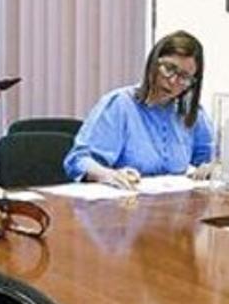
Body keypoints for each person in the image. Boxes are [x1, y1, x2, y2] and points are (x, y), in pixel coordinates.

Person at [63, 30, 215, 188]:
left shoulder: (190, 113)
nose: (172, 80)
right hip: (123, 204)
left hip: (173, 206)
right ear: (153, 63)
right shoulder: (120, 105)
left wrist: (213, 168)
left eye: (184, 77)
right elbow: (78, 160)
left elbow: (208, 159)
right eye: (168, 68)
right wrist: (109, 175)